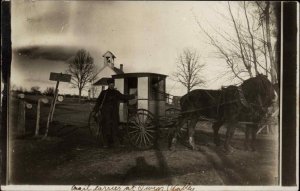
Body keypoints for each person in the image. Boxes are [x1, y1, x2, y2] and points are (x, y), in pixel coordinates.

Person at [93, 78, 135, 148]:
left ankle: (112, 142)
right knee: (106, 128)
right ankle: (105, 143)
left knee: (114, 128)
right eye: (110, 84)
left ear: (114, 84)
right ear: (108, 85)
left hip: (114, 114)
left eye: (113, 84)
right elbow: (98, 102)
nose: (112, 85)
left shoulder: (116, 92)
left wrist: (133, 96)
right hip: (105, 114)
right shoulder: (104, 93)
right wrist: (96, 111)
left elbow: (124, 97)